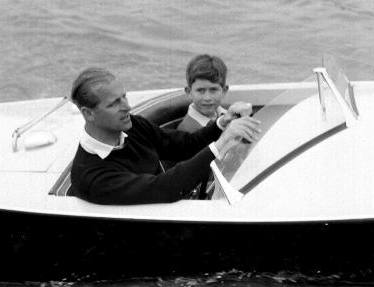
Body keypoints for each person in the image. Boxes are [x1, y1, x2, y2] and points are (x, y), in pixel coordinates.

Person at [68, 67, 260, 205]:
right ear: (88, 113)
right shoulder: (92, 177)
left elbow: (183, 145)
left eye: (124, 97)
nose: (127, 106)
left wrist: (221, 123)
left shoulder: (132, 125)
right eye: (114, 103)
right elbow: (165, 188)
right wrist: (223, 143)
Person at [177, 54, 229, 133]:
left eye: (213, 90)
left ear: (224, 91)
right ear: (189, 92)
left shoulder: (227, 115)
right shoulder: (187, 131)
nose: (207, 98)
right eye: (200, 90)